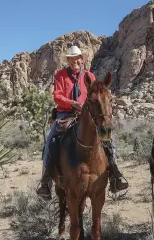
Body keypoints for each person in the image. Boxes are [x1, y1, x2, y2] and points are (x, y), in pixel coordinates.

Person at [36, 45, 129, 199]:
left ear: (81, 59)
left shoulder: (89, 76)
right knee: (51, 140)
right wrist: (72, 103)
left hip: (86, 114)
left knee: (108, 139)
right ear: (69, 60)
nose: (75, 61)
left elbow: (95, 96)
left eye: (77, 58)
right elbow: (57, 96)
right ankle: (46, 181)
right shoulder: (60, 75)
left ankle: (115, 175)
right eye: (71, 59)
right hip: (65, 113)